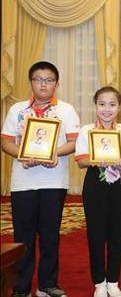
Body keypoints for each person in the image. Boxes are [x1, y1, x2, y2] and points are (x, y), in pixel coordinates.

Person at [1, 61, 80, 297]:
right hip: (22, 182)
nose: (43, 84)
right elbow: (6, 142)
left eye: (49, 80)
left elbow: (75, 142)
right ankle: (21, 287)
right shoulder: (17, 110)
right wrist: (22, 155)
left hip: (54, 182)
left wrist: (55, 153)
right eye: (38, 79)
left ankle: (47, 284)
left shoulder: (66, 109)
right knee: (22, 236)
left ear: (57, 83)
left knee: (50, 235)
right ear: (31, 82)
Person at [75, 86, 121, 297]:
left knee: (117, 233)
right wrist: (95, 160)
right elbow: (81, 162)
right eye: (102, 104)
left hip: (120, 184)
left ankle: (113, 280)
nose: (107, 109)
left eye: (112, 104)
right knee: (95, 234)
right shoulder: (87, 130)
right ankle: (99, 283)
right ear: (96, 106)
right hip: (95, 184)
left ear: (119, 107)